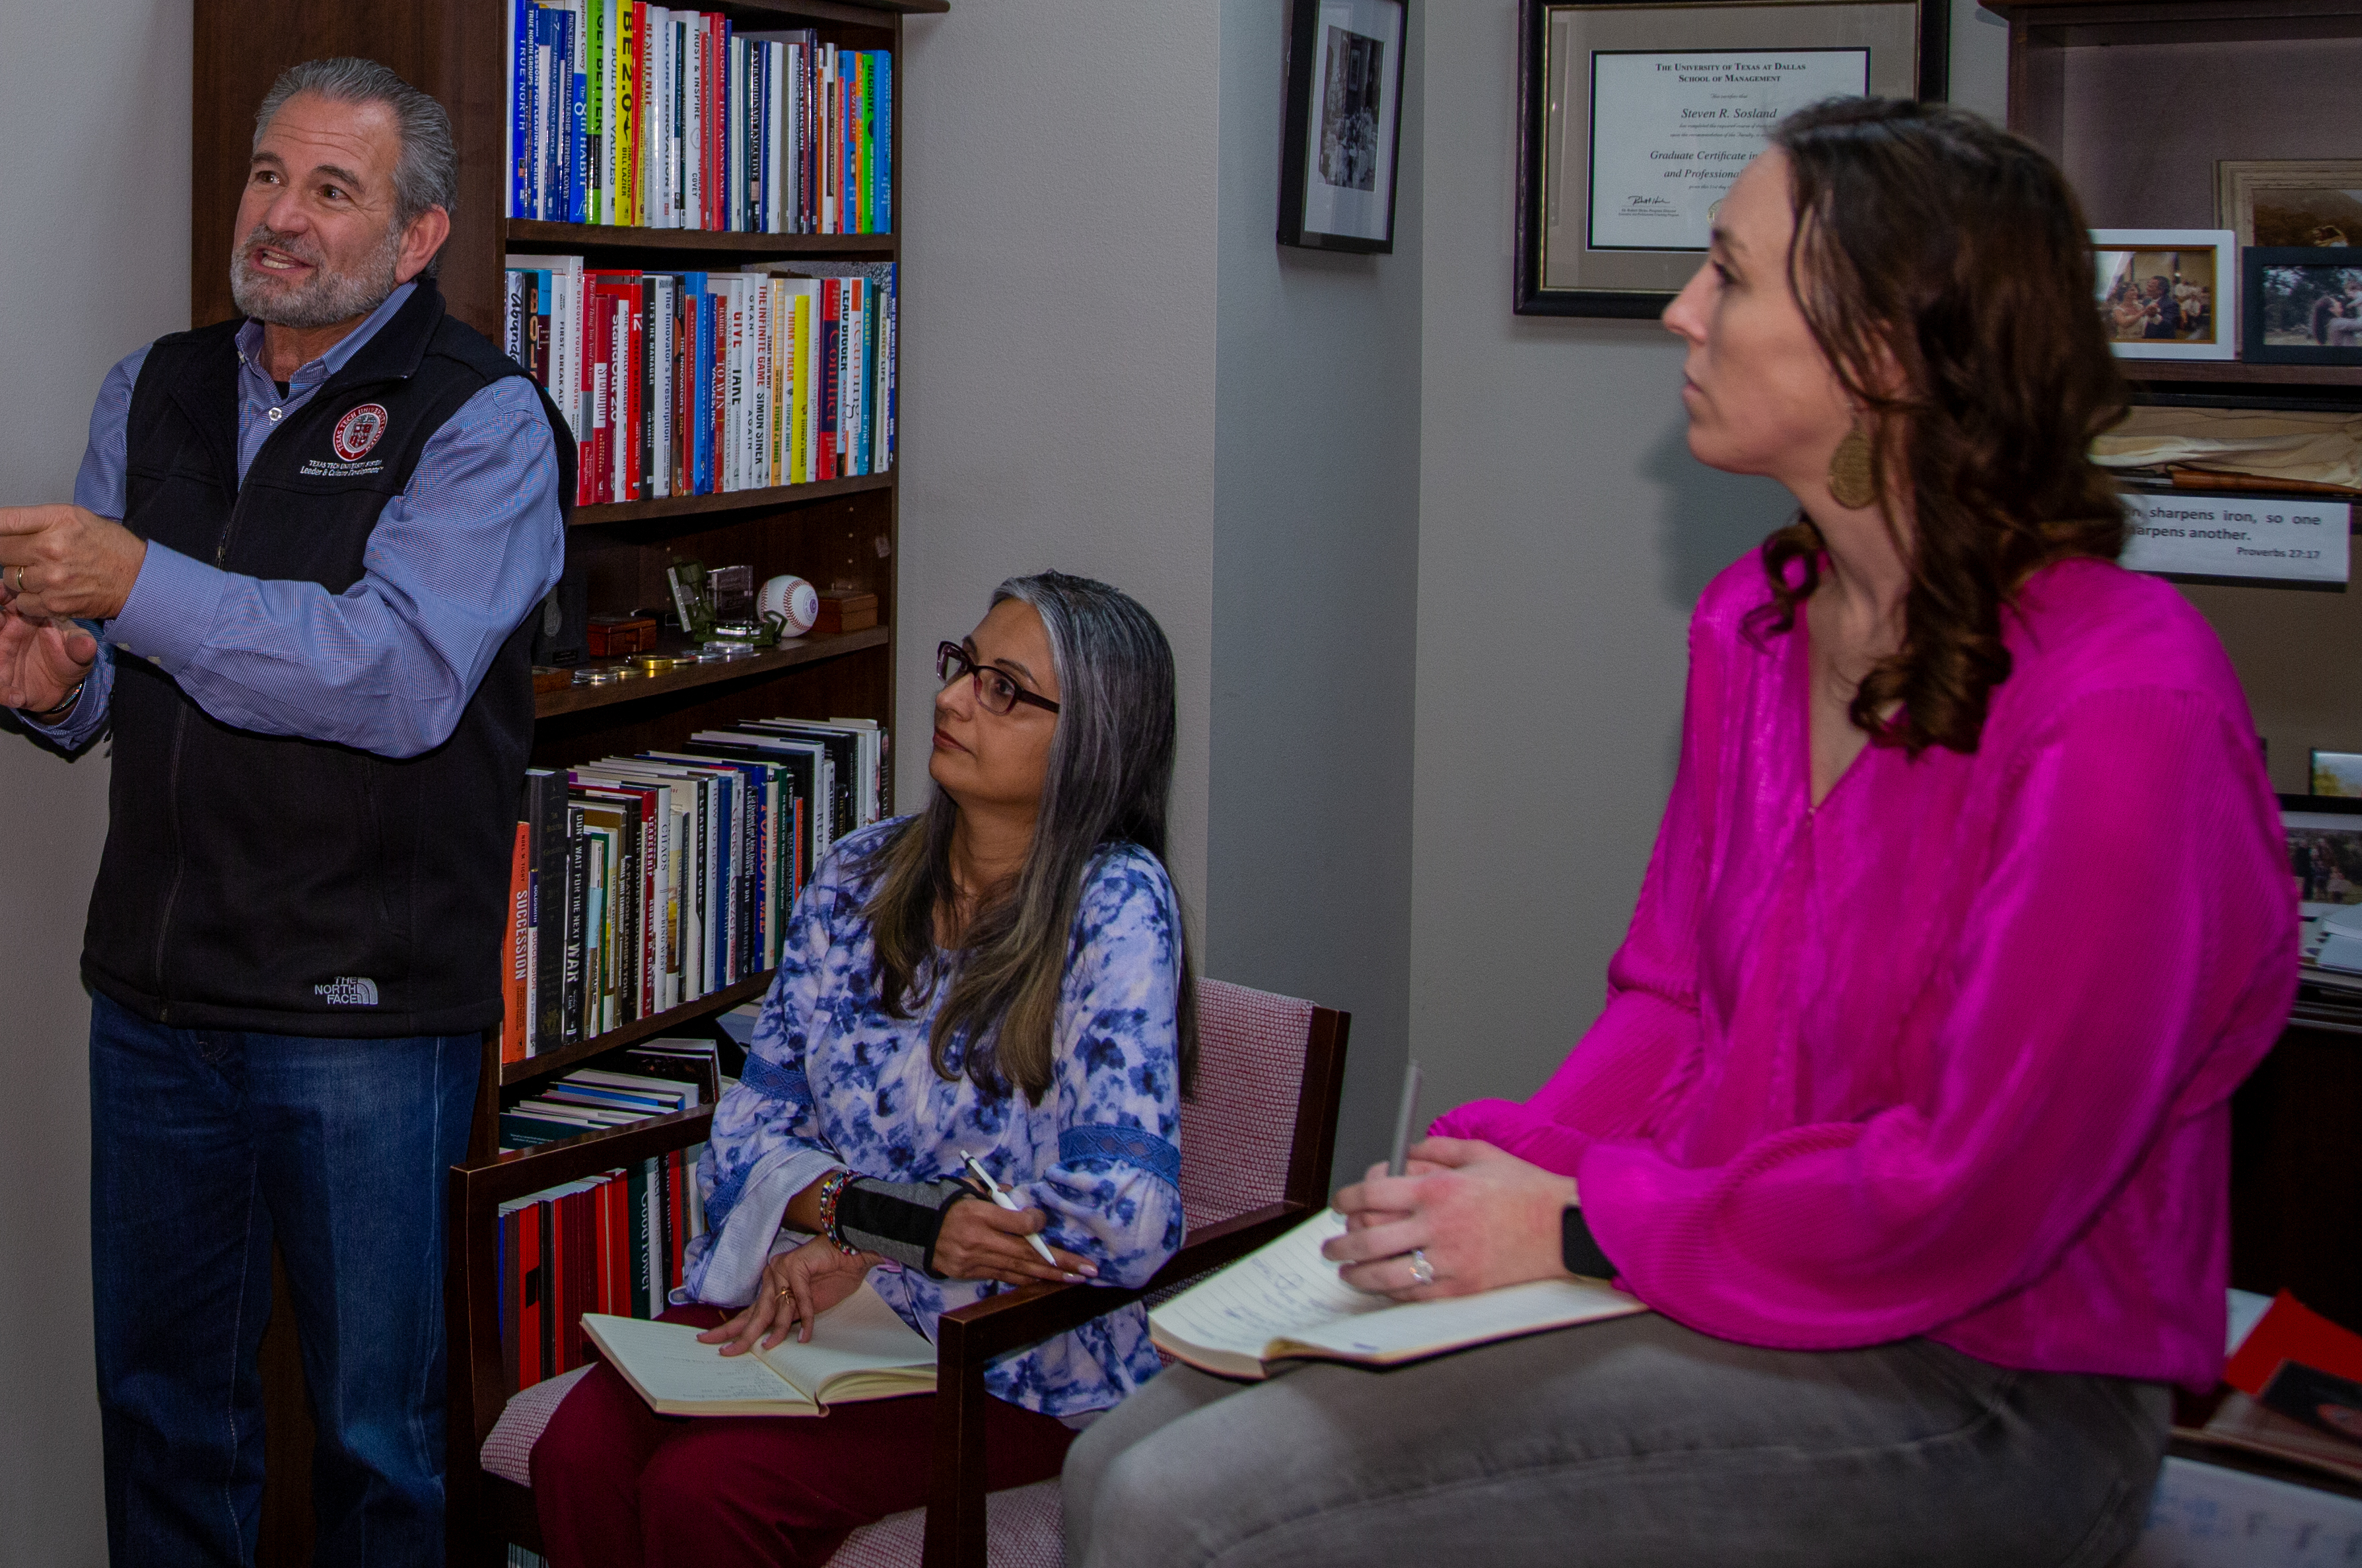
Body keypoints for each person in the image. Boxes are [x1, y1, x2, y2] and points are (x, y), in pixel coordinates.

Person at [1062, 97, 2295, 1568]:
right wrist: (1490, 1171)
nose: (1680, 311)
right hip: (1713, 1279)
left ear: (1885, 355)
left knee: (1176, 1510)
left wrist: (1582, 1227)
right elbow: (1672, 1001)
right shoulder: (1760, 626)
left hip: (1990, 1378)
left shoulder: (2125, 699)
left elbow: (1978, 1191)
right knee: (1120, 1449)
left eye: (1731, 273)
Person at [0, 55, 572, 1568]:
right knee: (163, 1418)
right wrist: (53, 680)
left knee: (379, 1445)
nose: (281, 218)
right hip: (159, 995)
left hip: (362, 1011)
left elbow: (396, 677)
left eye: (331, 190)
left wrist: (135, 585)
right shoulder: (152, 388)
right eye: (265, 176)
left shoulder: (484, 424)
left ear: (418, 237)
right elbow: (118, 678)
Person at [532, 572, 1189, 1568]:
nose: (954, 697)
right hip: (828, 1302)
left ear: (1091, 740)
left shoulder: (1116, 902)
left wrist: (885, 1242)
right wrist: (867, 1222)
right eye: (961, 665)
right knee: (575, 1451)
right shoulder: (857, 873)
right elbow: (749, 1131)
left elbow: (1125, 1215)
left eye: (1004, 688)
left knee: (709, 1494)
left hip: (1006, 1357)